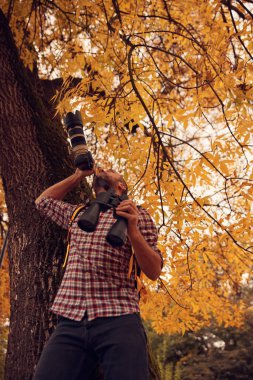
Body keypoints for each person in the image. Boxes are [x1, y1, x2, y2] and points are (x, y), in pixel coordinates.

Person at [33, 167, 163, 380]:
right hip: (70, 317)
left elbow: (154, 270)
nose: (104, 169)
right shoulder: (79, 214)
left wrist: (132, 229)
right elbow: (42, 202)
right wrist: (77, 176)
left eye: (112, 171)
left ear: (121, 186)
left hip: (119, 318)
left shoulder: (139, 217)